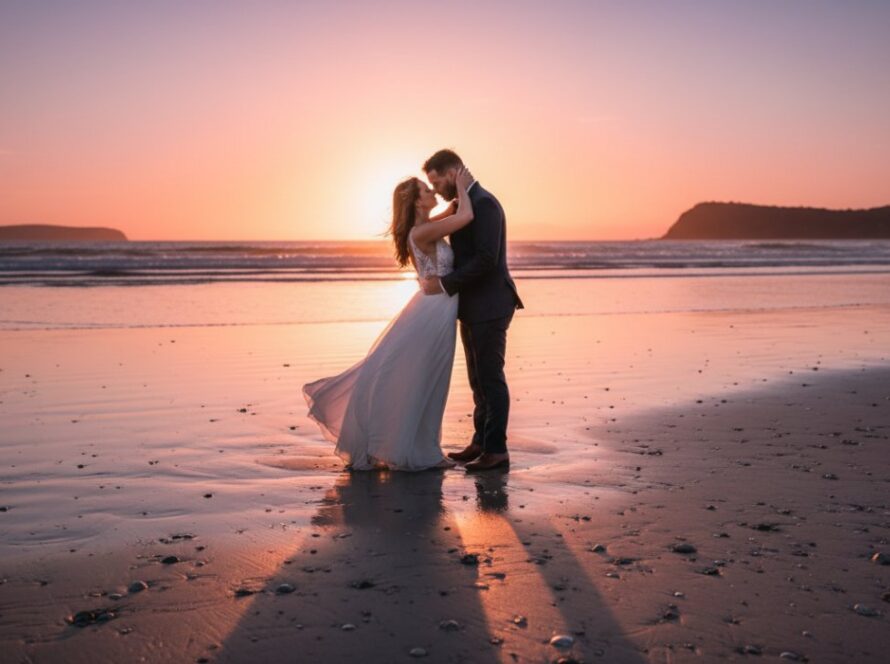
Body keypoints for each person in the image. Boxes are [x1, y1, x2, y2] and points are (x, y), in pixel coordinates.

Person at [302, 166, 476, 470]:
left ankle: (416, 446)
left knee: (428, 379)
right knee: (424, 377)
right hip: (432, 312)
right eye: (426, 190)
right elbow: (464, 219)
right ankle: (410, 449)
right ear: (417, 203)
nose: (432, 192)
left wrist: (452, 203)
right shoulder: (421, 232)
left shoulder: (424, 226)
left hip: (436, 308)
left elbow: (447, 216)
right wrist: (463, 186)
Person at [420, 149, 523, 471]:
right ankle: (480, 442)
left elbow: (485, 259)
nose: (435, 190)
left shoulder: (485, 204)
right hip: (472, 306)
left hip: (491, 305)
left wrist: (446, 284)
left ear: (453, 172)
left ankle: (497, 450)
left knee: (491, 379)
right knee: (478, 380)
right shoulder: (465, 203)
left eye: (436, 182)